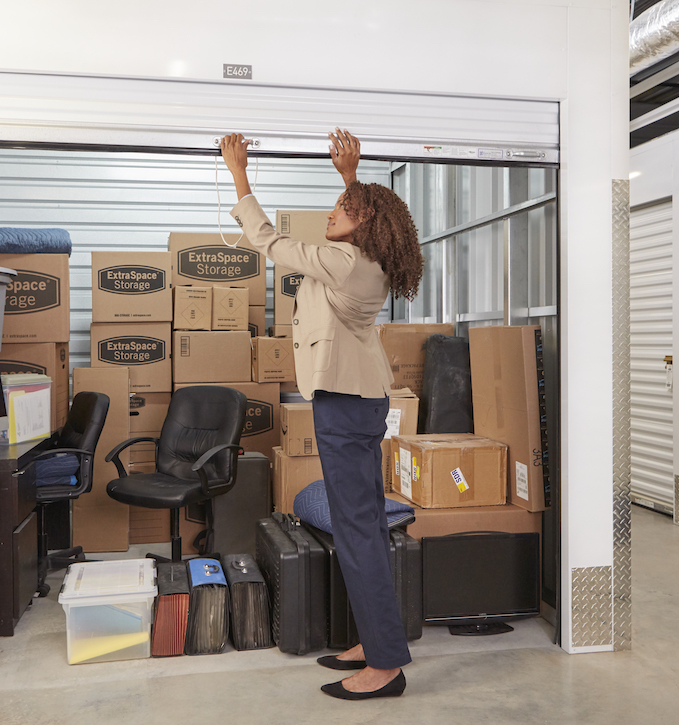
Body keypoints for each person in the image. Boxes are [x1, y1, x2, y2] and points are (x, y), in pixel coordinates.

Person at [220, 130, 424, 700]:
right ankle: (373, 640)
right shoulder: (366, 255)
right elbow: (363, 214)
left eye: (341, 209)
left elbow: (267, 240)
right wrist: (350, 177)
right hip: (354, 399)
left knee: (357, 531)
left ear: (361, 223)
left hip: (346, 403)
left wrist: (238, 172)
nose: (331, 214)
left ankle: (385, 665)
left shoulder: (343, 261)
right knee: (359, 529)